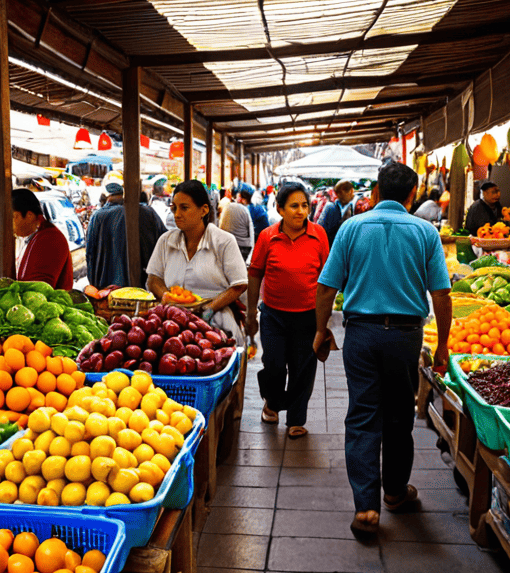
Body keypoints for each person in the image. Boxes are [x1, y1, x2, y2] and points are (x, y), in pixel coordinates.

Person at [313, 162, 452, 538]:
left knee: (361, 416)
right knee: (398, 416)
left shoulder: (352, 227)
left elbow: (326, 288)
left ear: (375, 192)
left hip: (361, 334)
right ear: (412, 195)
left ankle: (366, 508)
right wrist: (442, 345)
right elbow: (441, 293)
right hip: (405, 336)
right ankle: (393, 492)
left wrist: (320, 329)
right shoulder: (425, 232)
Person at [247, 182, 329, 438]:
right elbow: (254, 275)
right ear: (280, 209)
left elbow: (327, 278)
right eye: (294, 206)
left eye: (305, 206)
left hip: (308, 316)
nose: (301, 211)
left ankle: (296, 418)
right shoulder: (267, 236)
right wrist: (251, 314)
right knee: (273, 365)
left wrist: (324, 321)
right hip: (273, 315)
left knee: (302, 369)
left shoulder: (319, 235)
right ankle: (272, 402)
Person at [146, 179, 248, 344]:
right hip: (173, 324)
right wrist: (166, 296)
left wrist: (209, 309)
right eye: (174, 208)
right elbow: (153, 278)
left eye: (184, 208)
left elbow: (239, 284)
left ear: (204, 210)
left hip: (217, 322)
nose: (177, 214)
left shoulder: (224, 241)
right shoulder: (165, 241)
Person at [86, 181, 166, 288]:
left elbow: (90, 253)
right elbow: (164, 243)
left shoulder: (98, 217)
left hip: (108, 287)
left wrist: (94, 284)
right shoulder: (148, 212)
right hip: (144, 285)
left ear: (107, 198)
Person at [12, 188, 73, 290]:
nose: (10, 224)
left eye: (14, 217)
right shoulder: (36, 236)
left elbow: (39, 289)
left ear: (29, 215)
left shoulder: (49, 238)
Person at [319, 181, 356, 245]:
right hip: (330, 247)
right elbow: (320, 228)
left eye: (341, 193)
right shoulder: (330, 207)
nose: (339, 196)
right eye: (337, 193)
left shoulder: (354, 207)